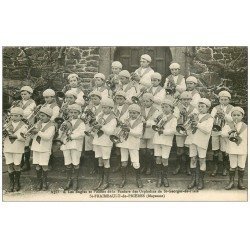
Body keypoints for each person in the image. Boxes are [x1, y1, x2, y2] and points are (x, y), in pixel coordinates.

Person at [185, 98, 213, 190]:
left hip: (202, 141)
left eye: (202, 107)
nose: (200, 108)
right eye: (199, 106)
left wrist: (197, 124)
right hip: (193, 140)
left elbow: (207, 130)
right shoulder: (194, 115)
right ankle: (193, 179)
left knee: (202, 160)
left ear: (208, 108)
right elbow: (187, 128)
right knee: (193, 159)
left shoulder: (210, 118)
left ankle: (200, 180)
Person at [116, 104, 144, 188]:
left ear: (138, 113)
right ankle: (123, 179)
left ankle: (138, 179)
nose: (132, 115)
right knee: (124, 161)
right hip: (124, 142)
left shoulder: (140, 122)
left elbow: (138, 134)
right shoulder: (126, 120)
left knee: (135, 162)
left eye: (134, 113)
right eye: (131, 113)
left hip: (133, 143)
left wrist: (129, 130)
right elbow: (120, 130)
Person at [92, 98, 117, 190]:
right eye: (102, 107)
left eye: (106, 108)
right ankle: (100, 179)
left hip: (106, 142)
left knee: (106, 160)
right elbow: (95, 125)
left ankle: (106, 181)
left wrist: (101, 127)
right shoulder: (99, 115)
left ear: (111, 108)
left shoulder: (113, 119)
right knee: (99, 160)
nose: (103, 109)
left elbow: (110, 132)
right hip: (97, 140)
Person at [60, 104, 85, 191]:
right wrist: (62, 130)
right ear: (69, 113)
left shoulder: (81, 122)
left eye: (75, 112)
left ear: (79, 113)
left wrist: (71, 136)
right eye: (71, 112)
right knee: (67, 162)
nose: (73, 114)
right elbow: (60, 132)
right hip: (66, 144)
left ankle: (75, 181)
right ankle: (68, 180)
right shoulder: (65, 121)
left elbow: (82, 134)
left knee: (75, 162)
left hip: (75, 144)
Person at [152, 99, 177, 187]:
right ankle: (159, 178)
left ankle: (165, 177)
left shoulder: (173, 118)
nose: (164, 109)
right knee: (158, 158)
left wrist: (163, 131)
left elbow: (173, 130)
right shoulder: (159, 116)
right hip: (157, 139)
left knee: (165, 159)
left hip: (166, 140)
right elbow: (153, 125)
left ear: (171, 108)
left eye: (167, 107)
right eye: (163, 107)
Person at [221, 107, 247, 190]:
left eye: (238, 115)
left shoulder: (245, 126)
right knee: (232, 166)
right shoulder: (228, 125)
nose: (236, 117)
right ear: (231, 116)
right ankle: (231, 182)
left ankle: (240, 182)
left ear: (242, 116)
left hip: (242, 149)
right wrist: (230, 132)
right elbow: (222, 134)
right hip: (232, 149)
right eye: (234, 115)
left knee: (241, 166)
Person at [30, 107, 56, 191]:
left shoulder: (52, 126)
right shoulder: (38, 123)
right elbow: (34, 136)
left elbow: (47, 137)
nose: (40, 117)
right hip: (36, 147)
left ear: (49, 117)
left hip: (44, 148)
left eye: (43, 116)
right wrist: (31, 132)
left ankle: (44, 182)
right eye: (40, 115)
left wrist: (38, 131)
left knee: (44, 165)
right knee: (37, 165)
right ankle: (39, 182)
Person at [173, 91, 198, 175]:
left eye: (188, 99)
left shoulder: (194, 108)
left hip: (189, 131)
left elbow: (195, 118)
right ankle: (178, 166)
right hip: (180, 130)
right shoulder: (177, 107)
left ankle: (187, 167)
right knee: (179, 149)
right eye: (184, 100)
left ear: (190, 100)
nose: (186, 101)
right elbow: (174, 117)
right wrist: (180, 115)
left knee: (188, 149)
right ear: (181, 100)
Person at [3, 107, 28, 192]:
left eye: (16, 116)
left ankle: (17, 182)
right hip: (8, 147)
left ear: (21, 116)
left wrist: (16, 136)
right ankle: (11, 183)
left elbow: (25, 138)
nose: (13, 117)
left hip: (18, 148)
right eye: (12, 115)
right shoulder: (6, 124)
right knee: (9, 165)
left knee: (17, 165)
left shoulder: (24, 126)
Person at [210, 90, 234, 176]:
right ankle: (215, 168)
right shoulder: (215, 108)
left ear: (229, 100)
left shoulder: (232, 108)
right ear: (219, 100)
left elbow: (232, 120)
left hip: (225, 130)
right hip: (216, 130)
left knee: (224, 150)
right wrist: (216, 116)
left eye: (226, 99)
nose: (223, 101)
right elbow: (211, 118)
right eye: (222, 99)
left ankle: (225, 168)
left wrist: (224, 115)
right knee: (215, 150)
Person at [140, 93, 160, 175]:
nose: (145, 103)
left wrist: (146, 122)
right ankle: (143, 165)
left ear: (152, 102)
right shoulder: (140, 109)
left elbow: (155, 121)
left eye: (147, 101)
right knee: (142, 150)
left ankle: (149, 166)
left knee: (149, 151)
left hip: (150, 132)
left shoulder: (156, 110)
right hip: (142, 131)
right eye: (144, 101)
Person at [83, 90, 103, 174]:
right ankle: (93, 166)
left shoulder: (103, 107)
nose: (93, 100)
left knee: (97, 147)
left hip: (98, 129)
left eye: (95, 99)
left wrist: (95, 119)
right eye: (92, 99)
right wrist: (86, 117)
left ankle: (99, 166)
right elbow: (83, 117)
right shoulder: (88, 107)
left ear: (100, 99)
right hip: (89, 127)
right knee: (90, 147)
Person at [18, 86, 36, 172]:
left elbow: (27, 113)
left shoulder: (32, 103)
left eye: (25, 94)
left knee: (26, 143)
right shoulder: (19, 102)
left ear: (30, 94)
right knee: (20, 141)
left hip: (28, 124)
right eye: (22, 94)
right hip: (20, 124)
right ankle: (20, 161)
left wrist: (18, 112)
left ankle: (27, 163)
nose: (23, 96)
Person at [112, 90, 130, 172]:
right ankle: (119, 164)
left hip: (124, 128)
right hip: (115, 128)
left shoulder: (128, 108)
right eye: (117, 98)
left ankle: (126, 163)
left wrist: (122, 122)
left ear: (125, 99)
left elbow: (129, 118)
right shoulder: (113, 107)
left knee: (124, 146)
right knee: (117, 147)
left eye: (121, 98)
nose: (119, 100)